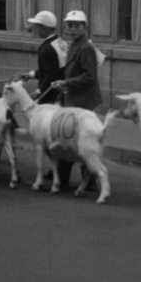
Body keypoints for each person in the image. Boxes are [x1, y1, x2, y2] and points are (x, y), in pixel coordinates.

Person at [49, 10, 103, 191]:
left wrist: (66, 82)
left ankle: (64, 180)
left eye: (76, 25)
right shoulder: (74, 44)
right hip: (74, 97)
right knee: (75, 139)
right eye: (69, 25)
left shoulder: (86, 47)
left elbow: (90, 77)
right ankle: (89, 180)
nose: (71, 29)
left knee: (69, 139)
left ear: (84, 27)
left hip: (82, 101)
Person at [25, 10, 66, 104]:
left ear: (44, 28)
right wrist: (31, 74)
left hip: (50, 95)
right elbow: (54, 68)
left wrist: (38, 91)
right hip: (62, 91)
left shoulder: (46, 48)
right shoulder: (60, 42)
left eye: (37, 27)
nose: (34, 29)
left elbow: (49, 75)